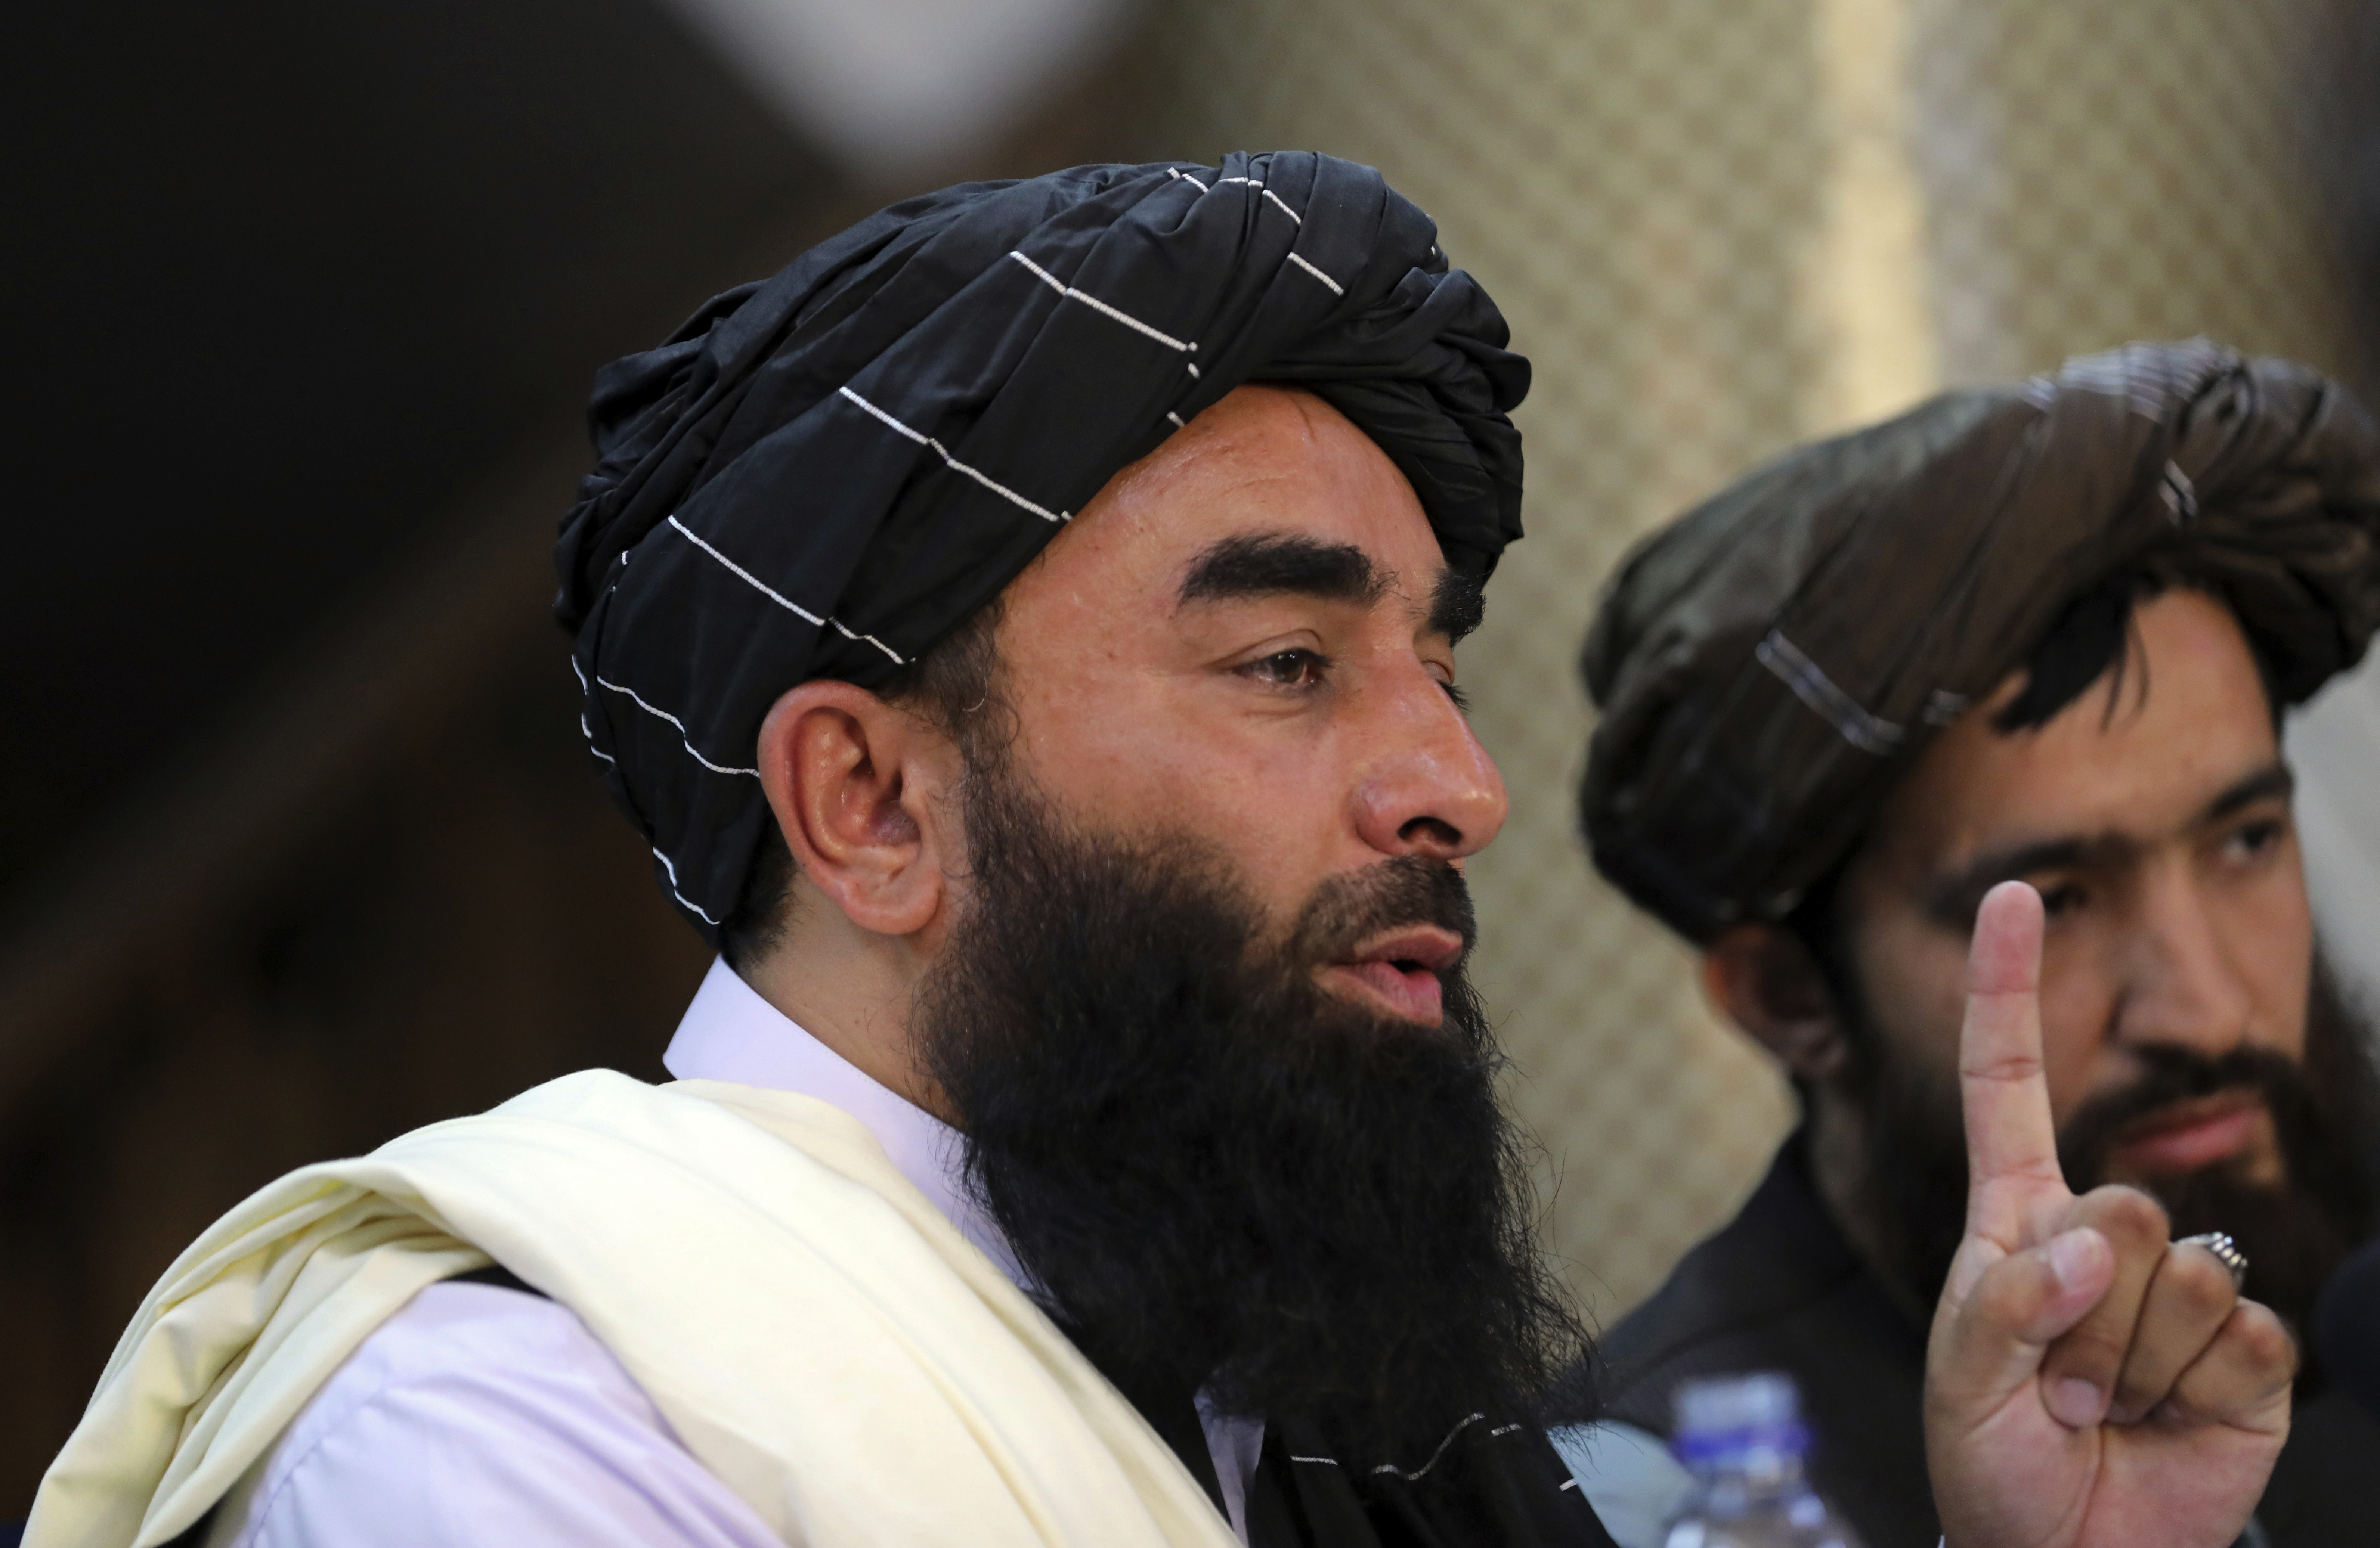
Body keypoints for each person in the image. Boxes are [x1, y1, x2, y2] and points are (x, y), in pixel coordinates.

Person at [26, 171, 2291, 1548]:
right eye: (1292, 666)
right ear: (872, 805)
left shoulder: (1293, 1392)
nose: (1453, 784)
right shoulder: (529, 1439)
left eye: (1437, 667)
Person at [1557, 338, 2380, 1548]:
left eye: (2244, 840)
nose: (2205, 1009)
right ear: (1786, 996)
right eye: (2055, 900)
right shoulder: (1639, 1503)